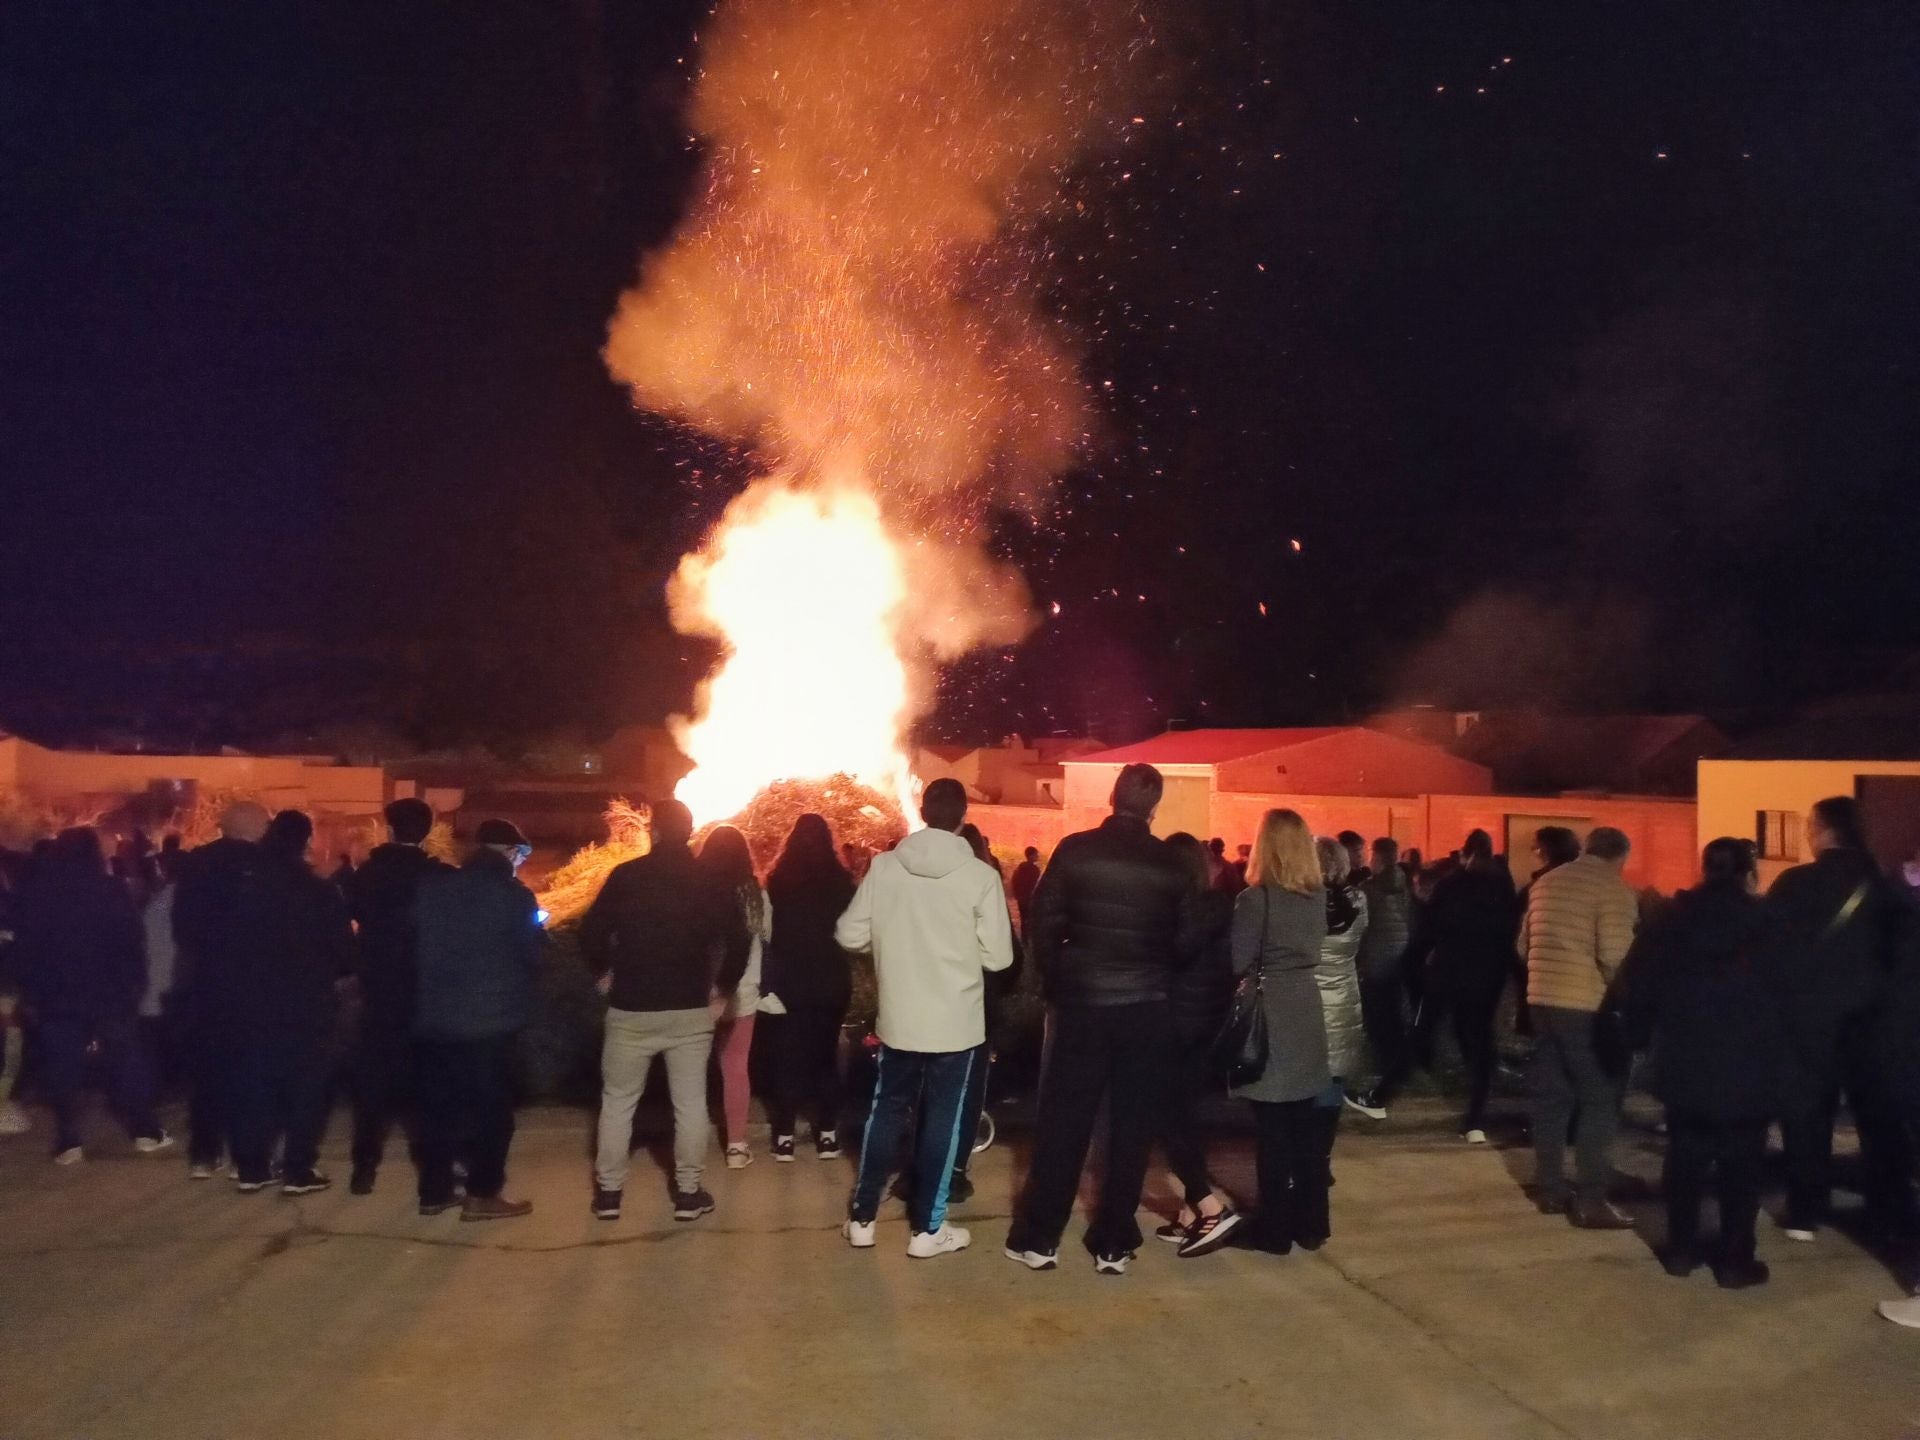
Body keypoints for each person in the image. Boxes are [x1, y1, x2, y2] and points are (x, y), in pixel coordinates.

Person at [1005, 763, 1199, 1275]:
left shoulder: (1076, 850)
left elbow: (1042, 922)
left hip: (1082, 1005)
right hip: (1145, 1007)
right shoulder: (1172, 865)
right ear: (1153, 807)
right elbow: (1185, 942)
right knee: (1130, 1129)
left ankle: (1040, 1238)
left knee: (1064, 1123)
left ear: (1114, 798)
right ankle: (1113, 1241)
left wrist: (1056, 978)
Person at [835, 779, 1014, 1258]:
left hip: (899, 1019)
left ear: (922, 810)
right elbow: (998, 957)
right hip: (956, 1024)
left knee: (886, 1110)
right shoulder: (981, 877)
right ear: (962, 817)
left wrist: (890, 945)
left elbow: (850, 934)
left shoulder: (885, 867)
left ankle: (862, 1218)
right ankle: (928, 1230)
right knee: (942, 1120)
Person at [1616, 838, 1776, 1288]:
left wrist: (1640, 1037)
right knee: (1742, 1167)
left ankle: (1681, 1249)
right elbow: (1790, 993)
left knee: (1685, 1158)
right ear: (1748, 872)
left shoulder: (1671, 920)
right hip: (1749, 1061)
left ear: (1705, 869)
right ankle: (1734, 1259)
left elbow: (1639, 985)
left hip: (1685, 1056)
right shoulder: (1766, 921)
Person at [581, 800, 749, 1221]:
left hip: (631, 1007)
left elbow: (591, 932)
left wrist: (604, 974)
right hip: (689, 1009)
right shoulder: (708, 881)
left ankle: (609, 1194)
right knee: (690, 1105)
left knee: (618, 1102)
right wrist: (721, 990)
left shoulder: (627, 876)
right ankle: (689, 1194)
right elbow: (740, 941)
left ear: (653, 832)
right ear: (690, 833)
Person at [1765, 795, 1916, 1244]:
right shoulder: (1888, 890)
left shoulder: (1794, 883)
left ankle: (1805, 1210)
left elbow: (1768, 950)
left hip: (1807, 1021)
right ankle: (1888, 1207)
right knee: (1880, 1122)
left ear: (1824, 829)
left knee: (1808, 1116)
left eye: (1810, 827)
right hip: (1874, 1023)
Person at [412, 819, 542, 1220]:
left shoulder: (432, 889)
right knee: (492, 1112)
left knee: (439, 1108)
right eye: (519, 854)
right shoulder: (514, 896)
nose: (520, 861)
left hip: (434, 1018)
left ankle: (434, 1191)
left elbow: (416, 946)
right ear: (506, 852)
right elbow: (531, 956)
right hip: (490, 1021)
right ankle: (482, 1193)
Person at [15, 826, 170, 1164]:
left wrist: (32, 991)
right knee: (126, 1059)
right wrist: (134, 984)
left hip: (58, 994)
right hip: (108, 991)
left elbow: (27, 948)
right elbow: (130, 941)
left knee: (62, 1065)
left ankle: (69, 1140)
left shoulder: (39, 894)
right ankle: (144, 1130)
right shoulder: (110, 890)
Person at [225, 810, 351, 1195]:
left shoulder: (243, 888)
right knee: (307, 1086)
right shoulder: (319, 890)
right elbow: (344, 952)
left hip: (251, 1000)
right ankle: (297, 1168)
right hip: (306, 1001)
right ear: (305, 842)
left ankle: (251, 1166)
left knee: (254, 1083)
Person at [1224, 809, 1332, 1255]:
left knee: (1272, 1133)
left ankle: (1274, 1230)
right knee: (1306, 1130)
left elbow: (1237, 962)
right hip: (1307, 1009)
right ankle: (1312, 1224)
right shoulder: (1317, 897)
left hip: (1271, 1015)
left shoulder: (1255, 900)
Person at [1523, 826, 1640, 1228]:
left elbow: (1523, 945)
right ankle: (1591, 1199)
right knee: (1600, 1098)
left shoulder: (1546, 884)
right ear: (1621, 855)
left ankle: (1551, 1189)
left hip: (1541, 1000)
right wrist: (1625, 1002)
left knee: (1553, 1099)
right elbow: (1614, 956)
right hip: (1585, 1007)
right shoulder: (1613, 890)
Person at [344, 797, 450, 1195]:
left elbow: (348, 916)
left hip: (377, 990)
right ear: (427, 832)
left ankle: (364, 1168)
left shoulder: (366, 874)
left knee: (373, 1086)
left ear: (389, 830)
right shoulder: (437, 876)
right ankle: (432, 1169)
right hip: (423, 992)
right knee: (425, 1085)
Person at [172, 800, 274, 1177]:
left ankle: (203, 1152)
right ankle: (242, 1152)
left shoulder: (196, 864)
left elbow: (182, 926)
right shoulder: (262, 867)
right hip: (250, 983)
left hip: (205, 981)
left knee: (208, 1070)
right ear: (256, 828)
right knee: (248, 1070)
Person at [1155, 833, 1241, 1256]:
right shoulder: (1217, 906)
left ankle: (1209, 1206)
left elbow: (1174, 951)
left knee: (1170, 1119)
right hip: (1201, 1027)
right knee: (1181, 1118)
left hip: (1179, 1028)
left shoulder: (1199, 910)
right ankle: (1190, 1212)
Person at [759, 814, 857, 1162]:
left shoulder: (779, 880)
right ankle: (828, 1134)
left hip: (791, 979)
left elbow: (769, 933)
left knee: (789, 1055)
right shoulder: (842, 881)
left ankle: (784, 1136)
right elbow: (853, 931)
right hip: (831, 978)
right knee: (826, 1056)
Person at [1413, 829, 1518, 1144]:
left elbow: (1430, 928)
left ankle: (1461, 1091)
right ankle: (1476, 1115)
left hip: (1453, 974)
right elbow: (1510, 930)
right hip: (1488, 977)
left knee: (1457, 1033)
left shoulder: (1451, 884)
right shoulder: (1502, 885)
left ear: (1465, 852)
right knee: (1481, 1041)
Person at [697, 825, 770, 1170]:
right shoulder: (756, 895)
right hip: (742, 992)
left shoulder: (696, 891)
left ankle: (690, 1145)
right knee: (736, 1067)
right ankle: (737, 1147)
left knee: (690, 1071)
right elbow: (765, 936)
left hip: (697, 992)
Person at [1309, 836, 1368, 1195]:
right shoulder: (1358, 901)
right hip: (1344, 997)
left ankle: (1303, 1158)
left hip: (1307, 1000)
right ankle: (1321, 1159)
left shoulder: (1302, 903)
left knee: (1303, 1085)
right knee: (1331, 1088)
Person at [1348, 836, 1413, 1118]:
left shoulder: (1369, 890)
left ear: (1379, 858)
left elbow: (1360, 928)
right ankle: (1394, 1067)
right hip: (1398, 960)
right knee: (1393, 1018)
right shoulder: (1405, 885)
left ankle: (1387, 1070)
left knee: (1377, 1019)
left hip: (1375, 961)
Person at [1011, 847, 1042, 935]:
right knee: (1031, 919)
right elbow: (1037, 885)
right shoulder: (1035, 870)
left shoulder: (1020, 867)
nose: (1037, 856)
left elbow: (1015, 881)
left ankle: (1024, 938)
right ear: (1031, 856)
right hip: (1030, 898)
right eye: (1036, 855)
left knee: (1023, 919)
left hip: (1021, 898)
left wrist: (1017, 894)